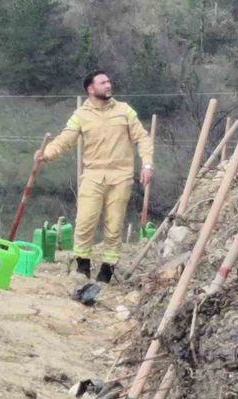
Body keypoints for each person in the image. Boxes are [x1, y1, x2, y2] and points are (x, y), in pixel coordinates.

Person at [35, 70, 154, 283]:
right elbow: (65, 139)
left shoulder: (125, 111)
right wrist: (47, 154)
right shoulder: (81, 115)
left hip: (121, 177)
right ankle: (82, 265)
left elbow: (143, 138)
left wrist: (147, 164)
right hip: (92, 175)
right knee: (84, 222)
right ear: (91, 89)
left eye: (109, 82)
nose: (108, 85)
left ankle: (108, 269)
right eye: (103, 82)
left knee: (114, 224)